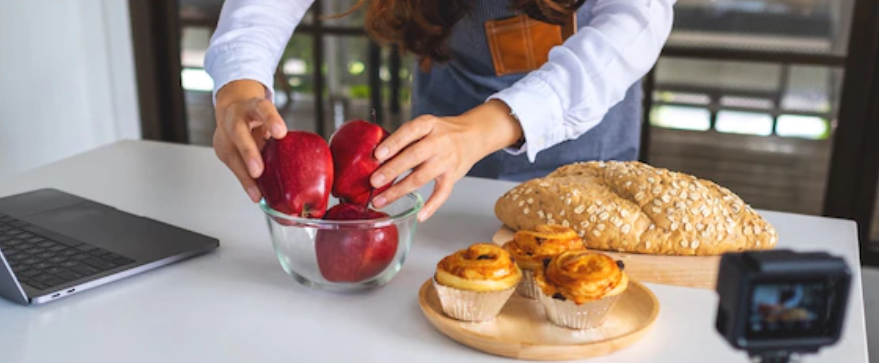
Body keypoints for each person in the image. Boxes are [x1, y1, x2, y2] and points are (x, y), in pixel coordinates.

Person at [206, 0, 675, 221]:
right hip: (450, 106)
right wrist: (237, 84)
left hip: (586, 118)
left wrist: (494, 124)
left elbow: (637, 19)